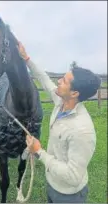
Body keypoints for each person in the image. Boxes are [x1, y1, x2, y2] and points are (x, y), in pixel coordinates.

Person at [18, 42, 101, 203]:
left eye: (63, 80)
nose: (58, 82)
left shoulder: (82, 130)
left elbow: (73, 176)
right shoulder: (61, 102)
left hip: (69, 195)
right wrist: (26, 58)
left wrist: (39, 152)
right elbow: (44, 79)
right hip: (53, 184)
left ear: (75, 93)